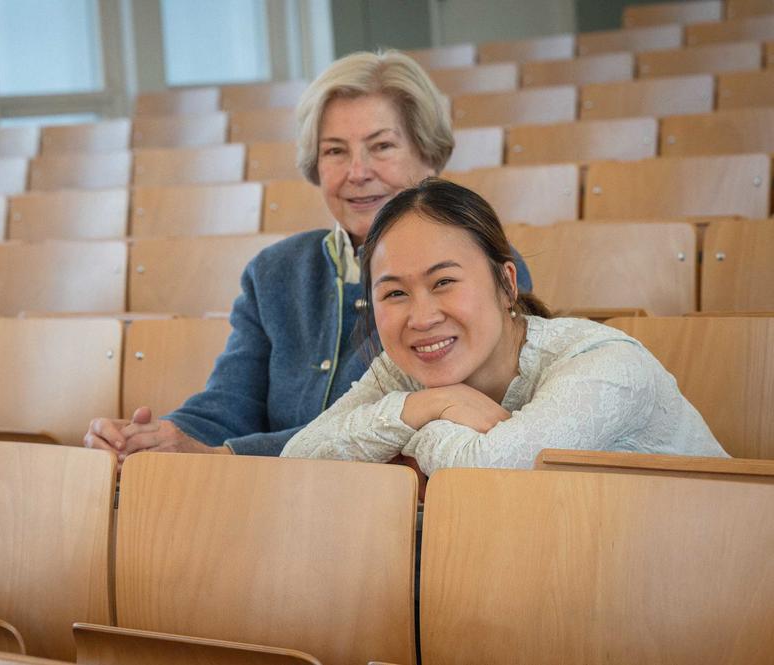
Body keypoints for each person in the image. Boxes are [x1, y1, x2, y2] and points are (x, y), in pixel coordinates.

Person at [84, 50, 532, 460]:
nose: (357, 173)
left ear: (428, 156)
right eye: (335, 151)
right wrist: (157, 439)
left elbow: (397, 426)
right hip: (267, 505)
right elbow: (229, 404)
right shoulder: (273, 271)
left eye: (382, 146)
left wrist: (226, 456)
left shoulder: (480, 266)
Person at [281, 178, 728, 470]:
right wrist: (423, 407)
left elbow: (485, 474)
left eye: (444, 282)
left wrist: (414, 431)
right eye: (394, 293)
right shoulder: (399, 375)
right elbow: (298, 461)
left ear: (506, 283)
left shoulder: (604, 364)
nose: (421, 317)